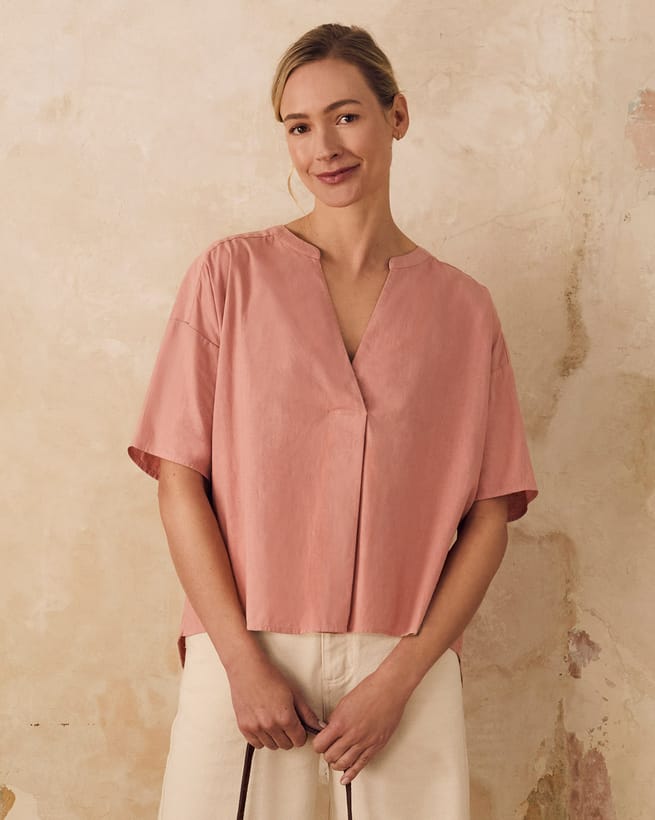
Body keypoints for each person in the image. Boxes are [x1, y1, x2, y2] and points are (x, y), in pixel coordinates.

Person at [127, 22, 538, 820]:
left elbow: (490, 517)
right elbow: (178, 481)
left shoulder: (463, 309)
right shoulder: (229, 277)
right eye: (298, 126)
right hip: (245, 647)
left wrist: (403, 677)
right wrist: (240, 664)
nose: (324, 148)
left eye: (346, 116)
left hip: (403, 659)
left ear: (397, 115)